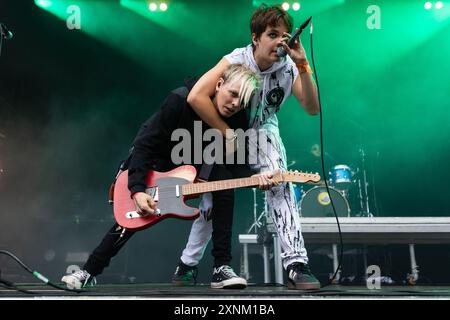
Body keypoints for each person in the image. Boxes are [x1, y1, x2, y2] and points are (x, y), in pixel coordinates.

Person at [61, 64, 265, 290]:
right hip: (156, 165)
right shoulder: (179, 100)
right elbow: (144, 144)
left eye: (242, 101)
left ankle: (221, 267)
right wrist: (137, 189)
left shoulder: (237, 119)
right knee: (130, 221)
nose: (236, 104)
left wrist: (259, 178)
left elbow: (236, 166)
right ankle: (88, 271)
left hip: (194, 167)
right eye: (233, 94)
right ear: (218, 84)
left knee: (225, 184)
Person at [172, 4, 321, 290]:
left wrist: (303, 64)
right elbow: (196, 97)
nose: (281, 40)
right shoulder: (235, 61)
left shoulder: (289, 67)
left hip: (263, 131)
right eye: (273, 34)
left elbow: (312, 108)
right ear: (255, 38)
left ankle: (296, 264)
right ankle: (188, 264)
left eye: (285, 35)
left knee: (279, 182)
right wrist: (228, 134)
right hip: (228, 131)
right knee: (212, 196)